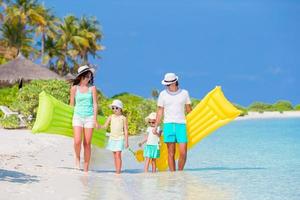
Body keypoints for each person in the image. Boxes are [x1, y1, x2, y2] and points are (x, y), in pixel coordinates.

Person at [153, 73, 192, 171]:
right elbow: (160, 111)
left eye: (168, 84)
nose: (167, 86)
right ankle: (173, 175)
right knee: (171, 152)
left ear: (174, 82)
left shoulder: (184, 93)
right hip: (168, 125)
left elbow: (189, 110)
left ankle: (180, 173)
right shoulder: (162, 94)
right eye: (166, 84)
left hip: (181, 125)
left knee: (183, 152)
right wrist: (155, 126)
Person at [70, 65, 100, 172]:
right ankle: (77, 158)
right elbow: (71, 105)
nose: (88, 78)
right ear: (81, 76)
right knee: (77, 141)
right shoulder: (74, 88)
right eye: (86, 76)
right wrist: (69, 118)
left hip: (89, 117)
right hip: (77, 117)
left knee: (87, 143)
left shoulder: (92, 88)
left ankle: (86, 167)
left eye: (89, 77)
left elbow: (95, 104)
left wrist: (95, 120)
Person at [100, 99, 129, 174]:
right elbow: (105, 126)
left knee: (118, 154)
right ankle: (117, 170)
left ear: (120, 109)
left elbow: (125, 130)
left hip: (120, 138)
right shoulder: (110, 117)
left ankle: (118, 172)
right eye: (113, 108)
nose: (114, 109)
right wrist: (98, 126)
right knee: (114, 155)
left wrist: (126, 141)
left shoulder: (123, 118)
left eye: (116, 108)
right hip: (112, 138)